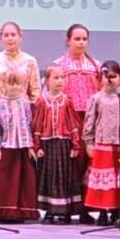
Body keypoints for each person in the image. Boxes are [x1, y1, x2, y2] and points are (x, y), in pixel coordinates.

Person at [82, 61, 120, 224]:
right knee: (104, 182)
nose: (110, 80)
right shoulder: (96, 99)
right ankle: (103, 212)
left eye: (114, 76)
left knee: (119, 181)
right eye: (106, 76)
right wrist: (89, 142)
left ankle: (118, 212)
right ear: (100, 78)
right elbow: (89, 122)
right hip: (103, 145)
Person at [52, 24, 100, 224]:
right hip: (67, 119)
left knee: (87, 162)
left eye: (84, 39)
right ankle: (63, 208)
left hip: (89, 119)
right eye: (77, 39)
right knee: (67, 163)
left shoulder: (95, 66)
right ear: (68, 40)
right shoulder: (59, 65)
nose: (81, 42)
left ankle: (85, 209)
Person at [32, 64, 82, 224]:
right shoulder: (41, 101)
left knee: (64, 176)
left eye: (62, 77)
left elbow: (73, 123)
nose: (60, 81)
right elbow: (37, 124)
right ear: (47, 80)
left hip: (64, 144)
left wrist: (75, 144)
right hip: (47, 144)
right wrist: (37, 146)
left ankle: (65, 211)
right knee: (49, 176)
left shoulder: (67, 101)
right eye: (56, 78)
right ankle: (49, 210)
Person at [0, 71, 39, 223]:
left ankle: (22, 211)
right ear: (3, 85)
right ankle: (5, 211)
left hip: (23, 148)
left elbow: (29, 126)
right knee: (6, 180)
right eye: (11, 83)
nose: (15, 87)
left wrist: (31, 147)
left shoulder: (26, 105)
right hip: (7, 147)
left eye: (18, 84)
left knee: (24, 180)